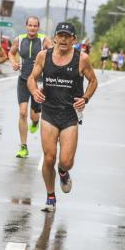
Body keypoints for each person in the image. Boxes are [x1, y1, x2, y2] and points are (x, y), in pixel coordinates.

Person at [27, 22, 98, 212]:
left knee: (65, 161)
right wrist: (34, 92)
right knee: (49, 158)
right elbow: (31, 78)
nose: (64, 40)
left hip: (70, 115)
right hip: (49, 112)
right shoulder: (44, 56)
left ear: (74, 40)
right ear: (55, 37)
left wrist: (85, 98)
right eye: (61, 35)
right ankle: (50, 197)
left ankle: (64, 172)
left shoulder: (82, 59)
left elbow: (93, 81)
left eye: (68, 36)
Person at [9, 17, 53, 158]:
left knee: (34, 115)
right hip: (23, 79)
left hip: (37, 82)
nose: (32, 28)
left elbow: (53, 54)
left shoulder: (44, 40)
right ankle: (23, 147)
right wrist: (14, 62)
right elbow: (11, 52)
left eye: (35, 26)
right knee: (22, 113)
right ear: (26, 26)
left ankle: (35, 121)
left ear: (38, 27)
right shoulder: (19, 39)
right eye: (30, 25)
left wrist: (45, 63)